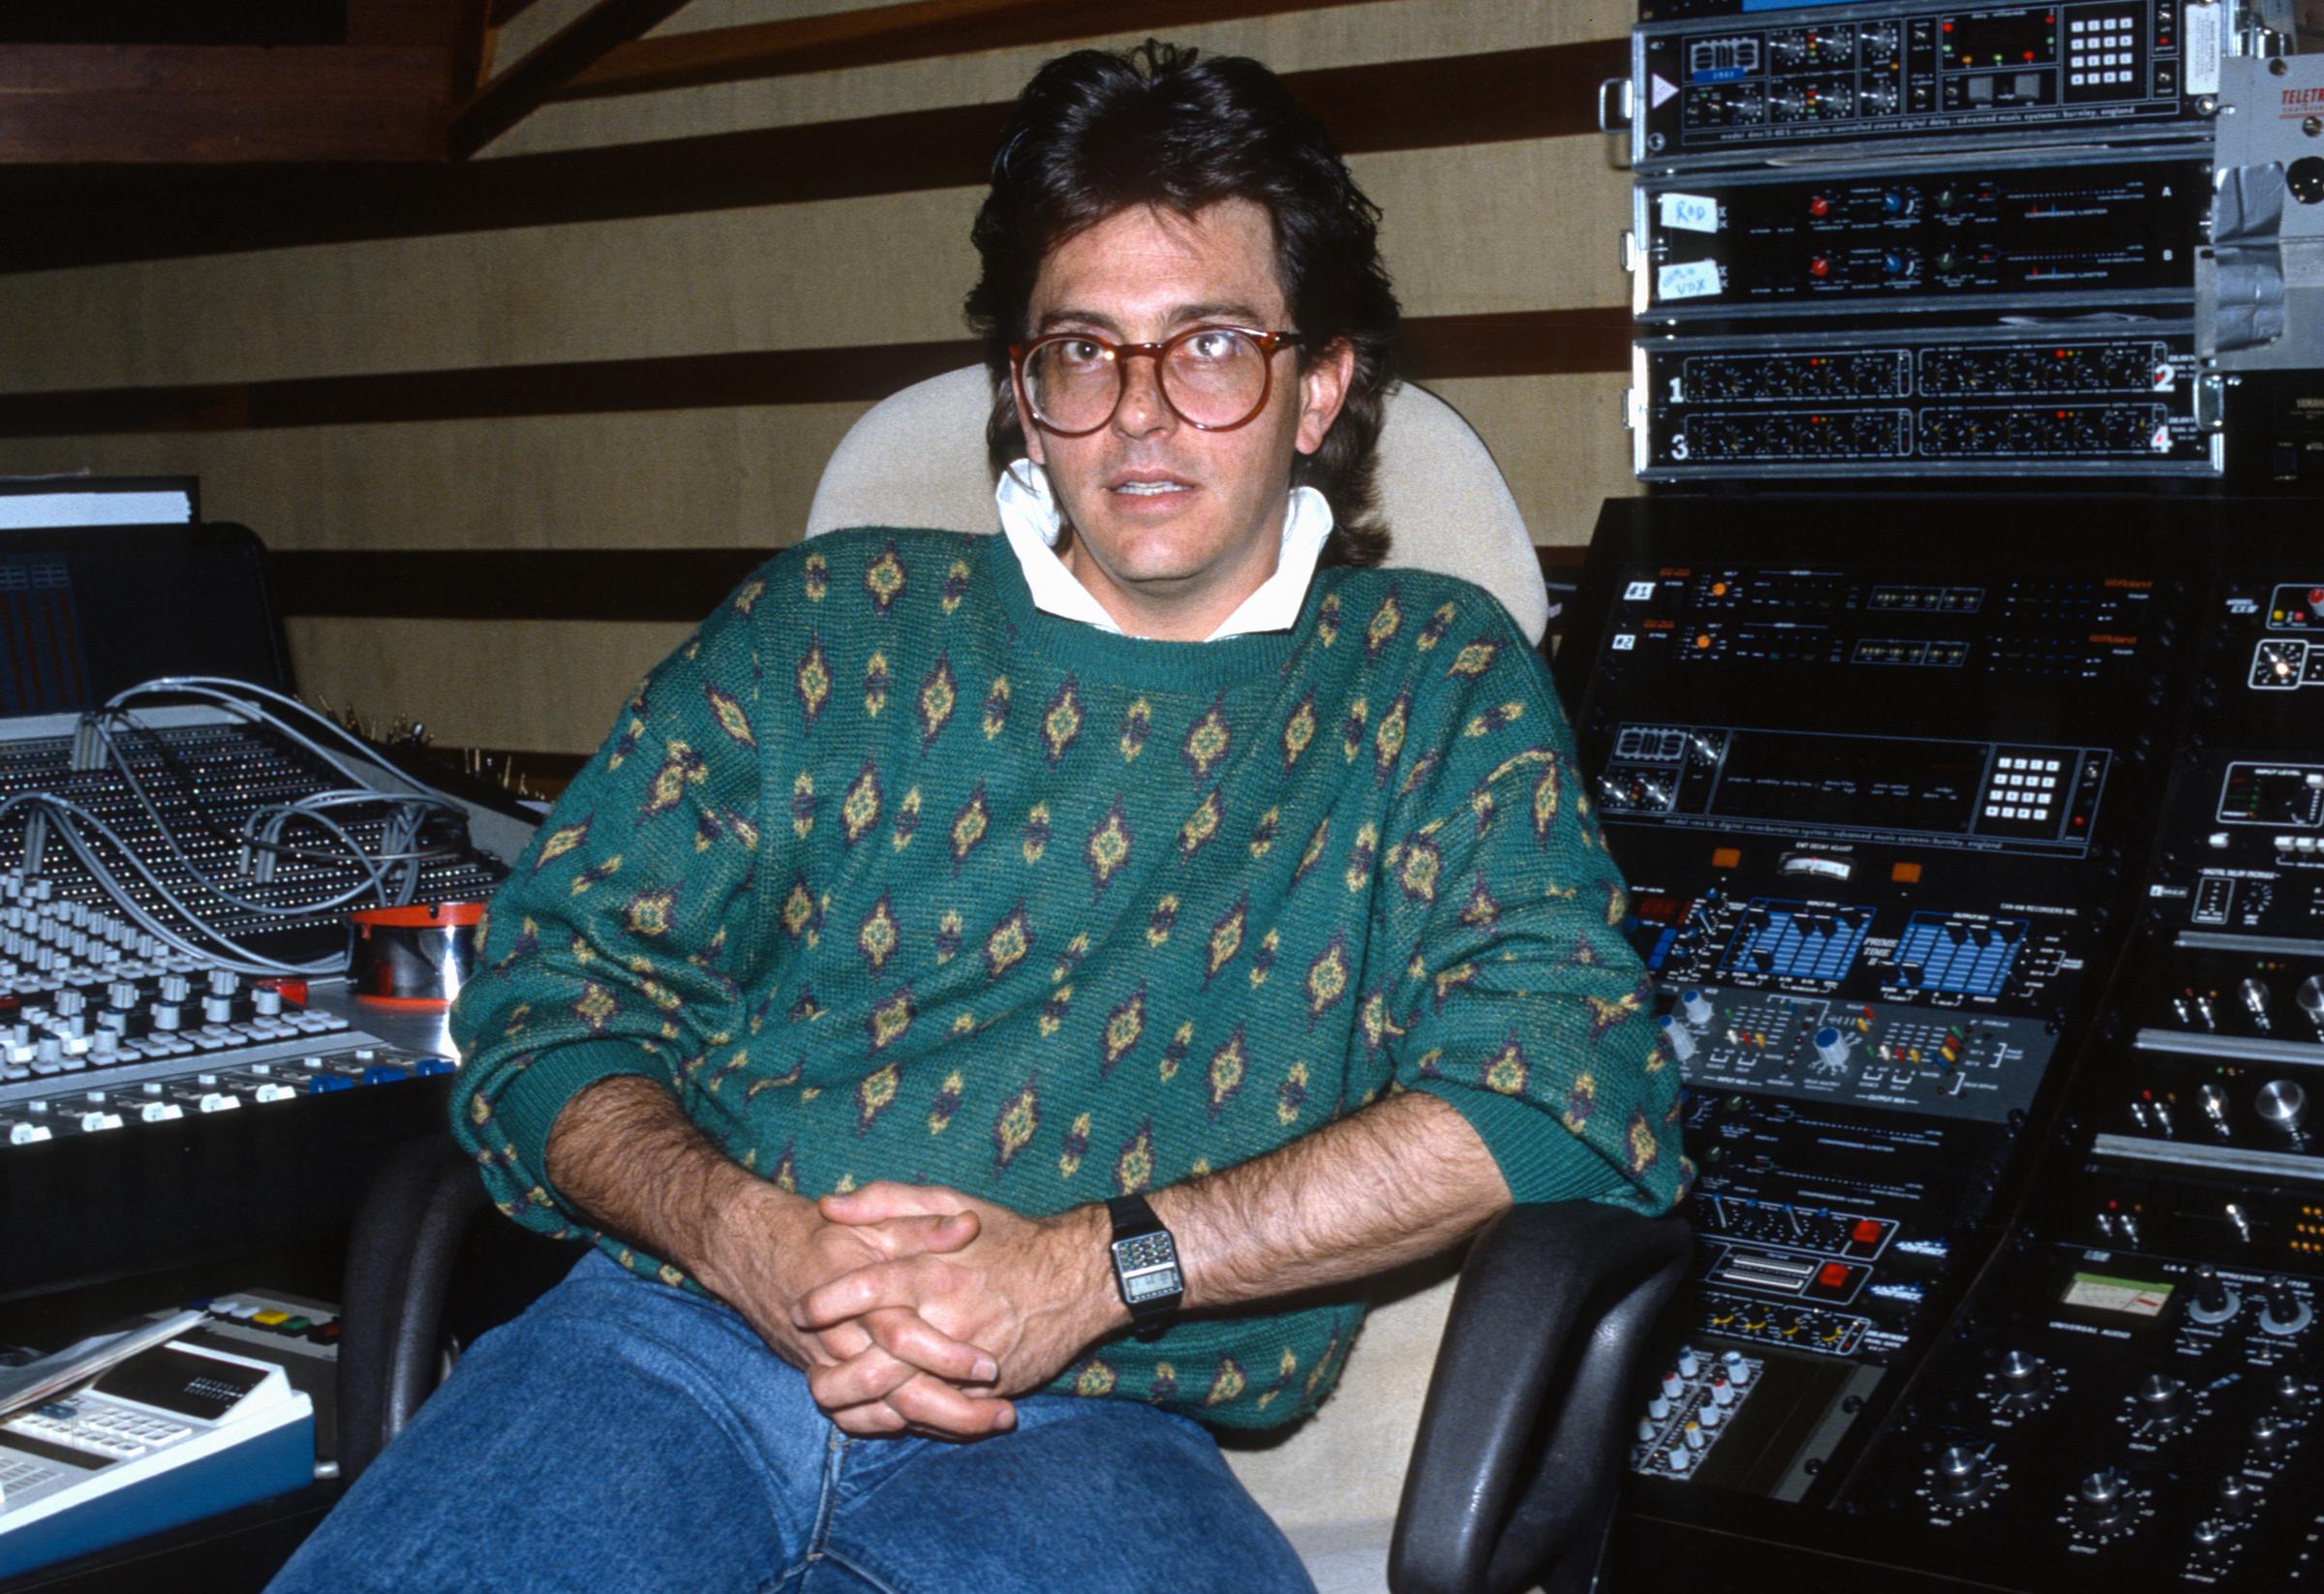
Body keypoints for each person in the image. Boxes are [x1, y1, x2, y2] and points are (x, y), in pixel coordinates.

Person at [267, 39, 1682, 1594]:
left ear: (1319, 384)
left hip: (1097, 1426)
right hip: (666, 1350)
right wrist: (747, 1240)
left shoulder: (1428, 680)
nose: (1142, 418)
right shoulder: (830, 622)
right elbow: (551, 995)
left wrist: (1088, 1269)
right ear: (1026, 389)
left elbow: (1564, 1089)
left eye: (1208, 345)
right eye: (1083, 352)